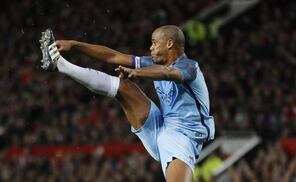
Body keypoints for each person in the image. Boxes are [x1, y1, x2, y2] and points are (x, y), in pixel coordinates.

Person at [39, 25, 215, 181]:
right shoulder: (151, 63)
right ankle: (61, 64)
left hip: (184, 137)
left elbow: (168, 73)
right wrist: (74, 44)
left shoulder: (190, 67)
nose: (151, 48)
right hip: (160, 125)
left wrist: (137, 73)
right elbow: (113, 56)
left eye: (154, 43)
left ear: (169, 44)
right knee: (123, 87)